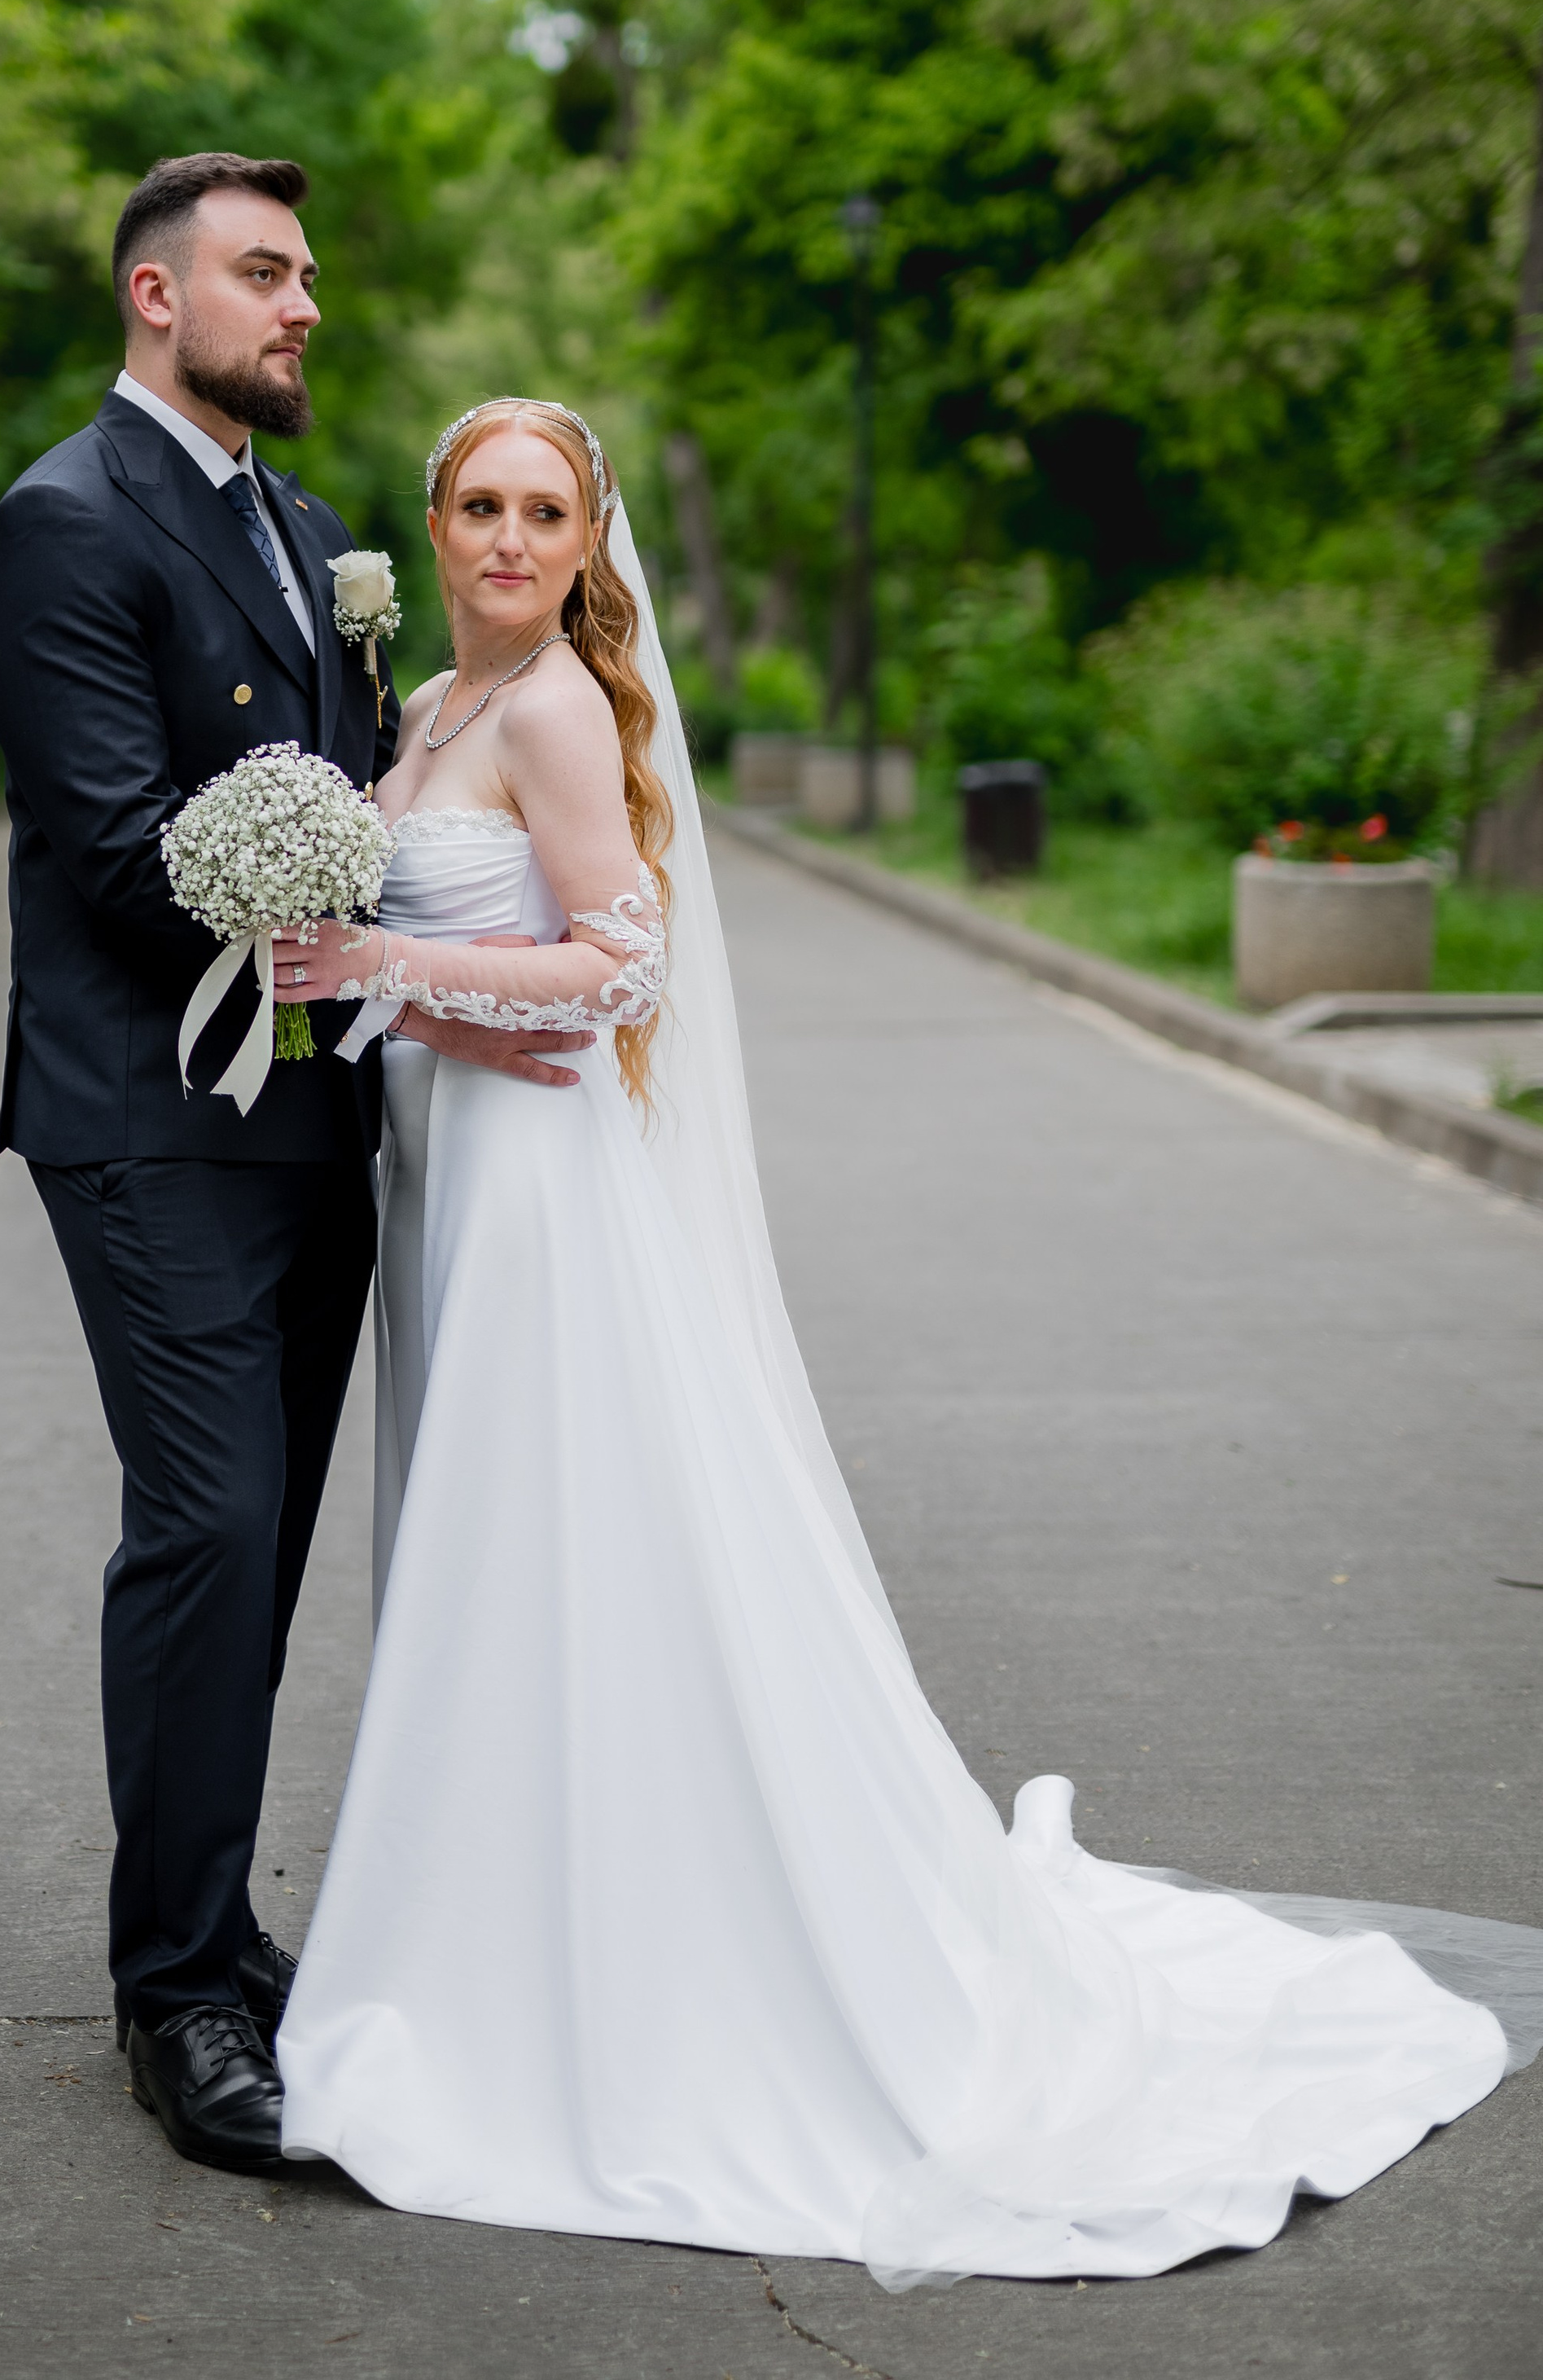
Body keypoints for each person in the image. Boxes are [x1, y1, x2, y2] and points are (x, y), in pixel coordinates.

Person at [265, 396, 1531, 2287]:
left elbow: (623, 964)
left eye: (546, 511)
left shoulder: (540, 713)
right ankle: (513, 1908)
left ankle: (566, 1962)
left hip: (543, 1200)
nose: (510, 540)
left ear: (584, 540)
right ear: (429, 527)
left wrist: (380, 967)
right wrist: (353, 952)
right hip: (455, 1172)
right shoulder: (425, 710)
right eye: (479, 506)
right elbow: (496, 962)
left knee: (552, 1544)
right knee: (511, 1550)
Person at [0, 164, 589, 2180]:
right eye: (262, 272)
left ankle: (223, 1928)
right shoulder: (65, 521)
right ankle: (175, 2000)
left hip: (324, 1113)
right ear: (156, 295)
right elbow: (115, 837)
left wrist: (389, 984)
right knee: (210, 1528)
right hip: (149, 1117)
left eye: (308, 273)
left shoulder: (310, 530)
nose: (302, 303)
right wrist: (335, 934)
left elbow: (361, 800)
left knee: (267, 1544)